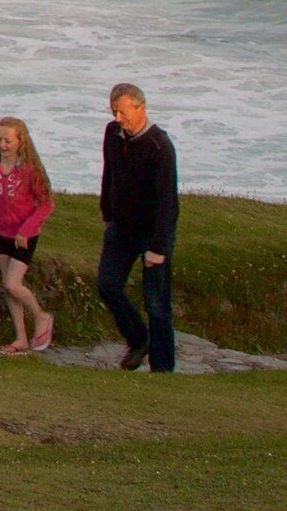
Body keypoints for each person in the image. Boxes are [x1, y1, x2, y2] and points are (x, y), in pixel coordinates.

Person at [98, 81, 179, 372]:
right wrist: (107, 208)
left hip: (153, 233)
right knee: (107, 285)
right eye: (113, 111)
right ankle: (139, 338)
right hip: (121, 226)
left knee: (157, 305)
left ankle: (163, 369)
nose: (118, 118)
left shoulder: (160, 147)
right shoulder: (112, 133)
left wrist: (158, 248)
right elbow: (109, 171)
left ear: (140, 108)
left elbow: (167, 203)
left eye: (122, 112)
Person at [0, 116, 58, 353]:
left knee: (13, 284)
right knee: (8, 287)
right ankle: (21, 339)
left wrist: (26, 229)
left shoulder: (29, 168)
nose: (2, 145)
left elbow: (46, 204)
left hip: (25, 235)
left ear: (20, 142)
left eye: (8, 141)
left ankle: (41, 317)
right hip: (2, 233)